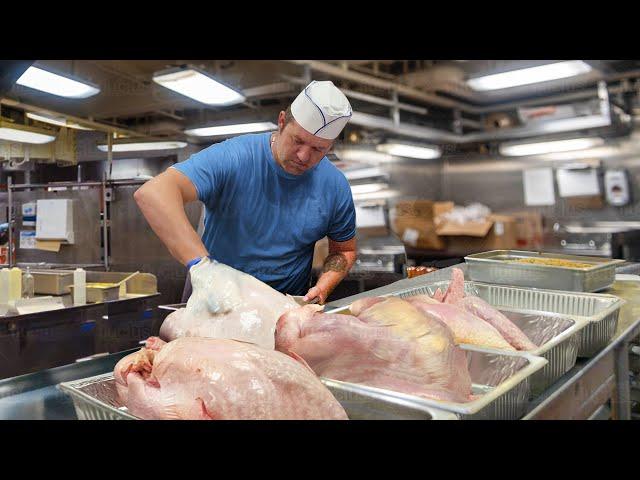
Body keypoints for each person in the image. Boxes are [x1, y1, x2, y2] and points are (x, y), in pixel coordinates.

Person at [134, 80, 357, 305]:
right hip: (215, 306)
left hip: (284, 312)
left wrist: (322, 287)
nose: (303, 156)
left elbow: (343, 251)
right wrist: (203, 269)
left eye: (318, 149)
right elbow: (154, 193)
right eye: (297, 140)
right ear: (281, 122)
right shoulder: (235, 158)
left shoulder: (334, 187)